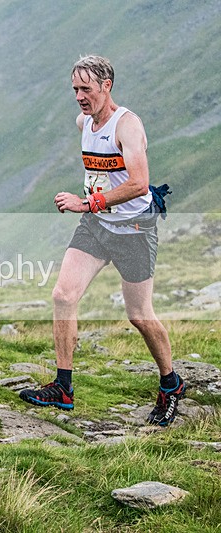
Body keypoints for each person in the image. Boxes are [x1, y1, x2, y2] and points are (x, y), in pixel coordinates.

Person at [19, 55, 186, 426]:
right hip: (97, 226)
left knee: (139, 315)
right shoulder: (84, 122)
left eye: (86, 89)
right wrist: (92, 208)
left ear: (106, 85)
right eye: (75, 89)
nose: (79, 96)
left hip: (134, 230)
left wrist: (86, 202)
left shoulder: (127, 125)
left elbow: (139, 183)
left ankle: (171, 383)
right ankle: (63, 387)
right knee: (63, 296)